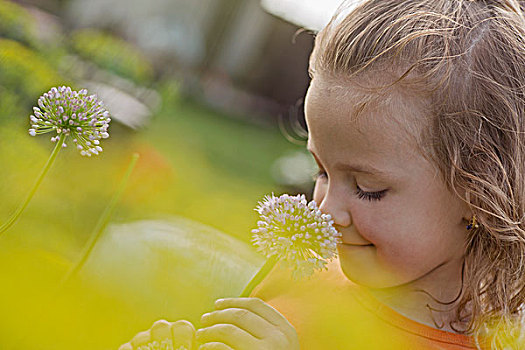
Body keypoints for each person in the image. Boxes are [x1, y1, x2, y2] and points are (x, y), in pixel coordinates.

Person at [120, 0, 525, 348]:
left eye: (367, 188)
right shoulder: (304, 272)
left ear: (480, 191)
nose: (325, 211)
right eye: (321, 170)